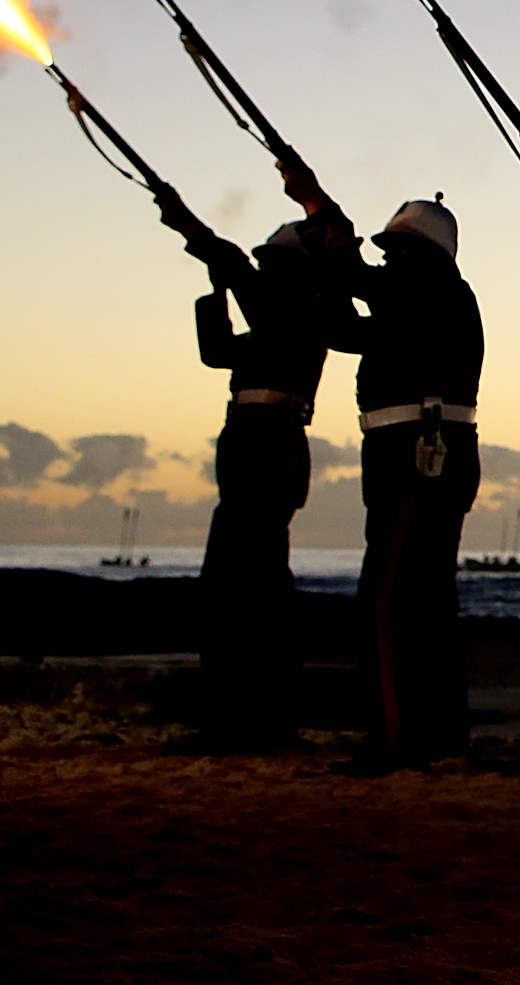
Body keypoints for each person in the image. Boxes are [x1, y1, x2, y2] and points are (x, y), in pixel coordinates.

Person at [316, 193, 485, 777]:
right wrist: (336, 259)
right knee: (426, 601)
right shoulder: (418, 298)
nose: (390, 261)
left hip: (417, 454)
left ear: (425, 253)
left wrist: (333, 240)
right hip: (413, 453)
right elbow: (344, 330)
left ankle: (395, 737)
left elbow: (369, 288)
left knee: (388, 601)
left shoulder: (428, 288)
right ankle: (439, 736)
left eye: (400, 249)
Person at [167, 213, 335, 750]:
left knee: (257, 590)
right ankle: (232, 719)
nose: (266, 274)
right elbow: (216, 351)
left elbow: (245, 279)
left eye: (276, 266)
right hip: (246, 445)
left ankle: (262, 722)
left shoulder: (307, 316)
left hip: (271, 448)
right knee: (226, 588)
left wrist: (204, 242)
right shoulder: (276, 322)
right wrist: (215, 289)